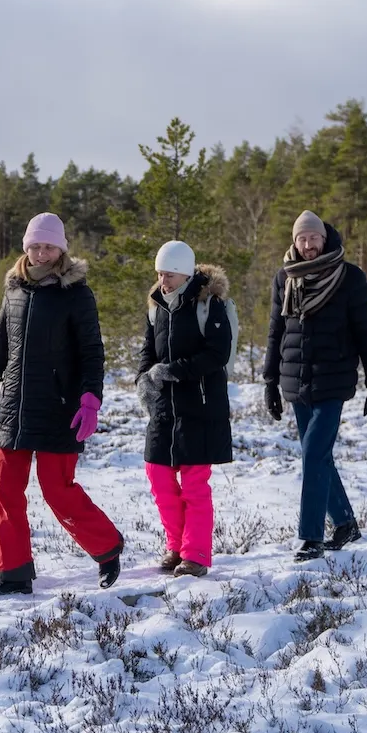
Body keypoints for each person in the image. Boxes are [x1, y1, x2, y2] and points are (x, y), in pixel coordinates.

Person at [0, 213, 123, 595]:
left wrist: (91, 399)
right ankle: (14, 572)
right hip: (15, 408)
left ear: (61, 249)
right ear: (27, 247)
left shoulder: (77, 293)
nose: (41, 253)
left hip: (60, 407)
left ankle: (106, 547)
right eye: (35, 246)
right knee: (6, 490)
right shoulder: (14, 290)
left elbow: (92, 351)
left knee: (58, 489)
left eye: (49, 246)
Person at [263, 211, 367, 563]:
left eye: (313, 238)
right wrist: (270, 381)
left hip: (333, 380)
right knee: (317, 455)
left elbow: (366, 334)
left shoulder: (349, 277)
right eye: (301, 239)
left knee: (313, 455)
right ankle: (345, 522)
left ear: (325, 238)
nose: (308, 246)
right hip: (295, 381)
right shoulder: (283, 278)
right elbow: (276, 332)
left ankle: (311, 536)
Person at [137, 240, 234, 578]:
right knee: (158, 476)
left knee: (194, 485)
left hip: (202, 407)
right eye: (160, 274)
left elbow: (217, 355)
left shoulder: (210, 304)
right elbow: (148, 351)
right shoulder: (156, 305)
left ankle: (195, 555)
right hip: (165, 409)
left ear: (186, 274)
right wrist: (143, 380)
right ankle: (175, 546)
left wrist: (175, 371)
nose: (163, 281)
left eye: (170, 275)